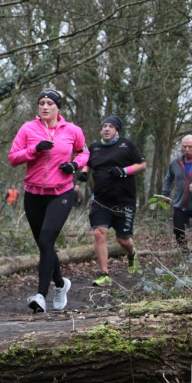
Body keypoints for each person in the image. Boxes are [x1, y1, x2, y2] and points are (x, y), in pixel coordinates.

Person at [8, 89, 88, 313]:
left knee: (46, 240)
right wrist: (33, 150)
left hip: (61, 193)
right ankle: (61, 284)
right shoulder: (28, 129)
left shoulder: (72, 130)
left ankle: (41, 295)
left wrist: (74, 165)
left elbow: (84, 152)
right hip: (33, 195)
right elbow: (13, 158)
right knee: (45, 245)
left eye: (50, 103)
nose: (44, 106)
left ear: (57, 107)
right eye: (41, 102)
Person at [76, 116, 147, 286]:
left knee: (123, 240)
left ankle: (132, 254)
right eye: (104, 126)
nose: (107, 129)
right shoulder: (95, 147)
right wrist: (84, 172)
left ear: (117, 130)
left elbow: (142, 165)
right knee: (99, 233)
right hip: (101, 200)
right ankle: (104, 274)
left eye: (111, 126)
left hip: (124, 201)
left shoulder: (127, 145)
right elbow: (88, 162)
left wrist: (124, 171)